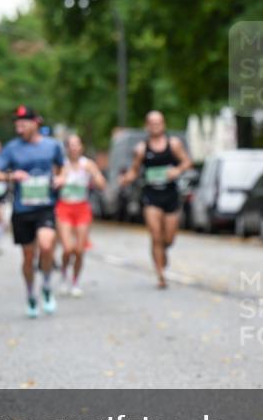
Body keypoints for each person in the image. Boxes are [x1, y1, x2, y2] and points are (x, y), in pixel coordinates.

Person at [0, 106, 65, 318]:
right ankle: (31, 293)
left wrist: (60, 178)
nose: (19, 126)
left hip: (45, 206)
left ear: (36, 122)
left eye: (23, 122)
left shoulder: (52, 146)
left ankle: (47, 286)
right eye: (17, 123)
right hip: (22, 209)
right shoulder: (12, 148)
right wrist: (11, 176)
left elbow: (63, 167)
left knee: (47, 245)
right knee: (29, 257)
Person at [119, 111, 192, 289]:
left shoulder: (173, 144)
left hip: (170, 195)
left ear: (164, 124)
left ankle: (164, 251)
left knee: (169, 238)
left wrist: (176, 171)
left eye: (158, 122)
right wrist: (126, 178)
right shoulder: (142, 149)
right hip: (151, 196)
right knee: (156, 235)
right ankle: (160, 274)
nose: (155, 126)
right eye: (152, 123)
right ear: (147, 126)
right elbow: (135, 170)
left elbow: (187, 162)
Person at [54, 134, 107, 297]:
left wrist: (95, 175)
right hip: (64, 208)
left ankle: (75, 281)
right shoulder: (61, 165)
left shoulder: (88, 164)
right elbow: (54, 184)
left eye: (77, 144)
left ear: (81, 147)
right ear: (67, 148)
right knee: (68, 249)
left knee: (79, 250)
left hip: (82, 208)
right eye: (71, 145)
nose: (74, 148)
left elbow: (101, 184)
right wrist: (60, 179)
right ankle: (64, 275)